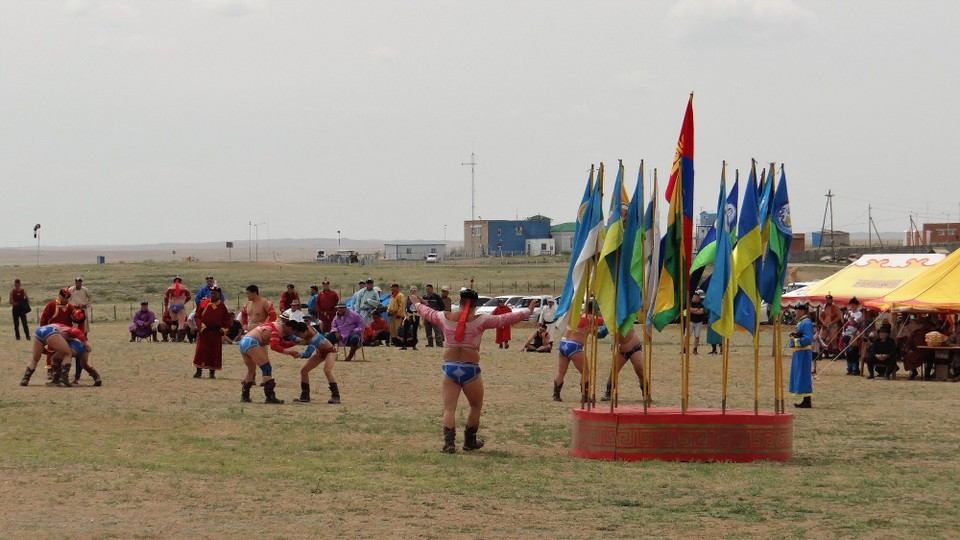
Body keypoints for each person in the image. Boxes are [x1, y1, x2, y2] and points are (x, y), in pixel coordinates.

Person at [410, 288, 536, 453]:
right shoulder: (481, 320)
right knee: (475, 407)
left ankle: (449, 444)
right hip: (471, 369)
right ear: (475, 305)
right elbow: (505, 319)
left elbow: (427, 312)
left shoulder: (444, 317)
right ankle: (470, 441)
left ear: (460, 302)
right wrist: (529, 310)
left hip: (450, 368)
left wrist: (417, 302)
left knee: (449, 409)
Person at [237, 312, 305, 404]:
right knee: (266, 368)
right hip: (252, 342)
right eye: (292, 332)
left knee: (251, 370)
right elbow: (274, 346)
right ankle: (270, 396)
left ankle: (245, 396)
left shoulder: (277, 328)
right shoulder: (277, 329)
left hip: (244, 342)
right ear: (290, 328)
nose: (291, 335)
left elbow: (281, 344)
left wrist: (294, 343)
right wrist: (289, 352)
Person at [553, 302, 603, 402]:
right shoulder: (591, 318)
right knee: (586, 373)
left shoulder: (576, 316)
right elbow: (606, 323)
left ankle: (556, 395)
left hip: (563, 343)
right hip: (575, 346)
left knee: (561, 372)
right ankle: (585, 397)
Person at [19, 323, 87, 387]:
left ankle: (25, 379)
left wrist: (48, 352)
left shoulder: (55, 325)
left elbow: (42, 349)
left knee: (35, 359)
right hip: (51, 331)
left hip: (39, 331)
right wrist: (86, 345)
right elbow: (77, 332)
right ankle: (63, 378)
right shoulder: (69, 329)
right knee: (68, 353)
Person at [294, 317, 341, 404]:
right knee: (304, 371)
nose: (299, 337)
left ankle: (336, 395)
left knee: (327, 371)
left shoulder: (314, 338)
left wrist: (299, 354)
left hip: (330, 351)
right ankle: (305, 395)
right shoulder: (307, 328)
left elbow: (308, 354)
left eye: (300, 335)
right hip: (320, 352)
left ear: (304, 332)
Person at [193, 287, 232, 379]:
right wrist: (201, 326)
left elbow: (226, 320)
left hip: (216, 333)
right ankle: (198, 371)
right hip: (204, 332)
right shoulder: (204, 303)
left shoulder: (222, 307)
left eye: (215, 293)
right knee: (201, 351)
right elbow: (197, 316)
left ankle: (212, 372)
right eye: (211, 293)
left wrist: (224, 329)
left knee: (214, 352)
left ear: (219, 295)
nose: (213, 295)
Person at [601, 326, 645, 401]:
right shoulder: (610, 319)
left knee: (640, 370)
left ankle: (646, 392)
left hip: (634, 347)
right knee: (614, 371)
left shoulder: (626, 315)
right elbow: (602, 333)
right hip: (621, 351)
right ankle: (608, 392)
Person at [788, 304, 815, 408]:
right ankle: (805, 399)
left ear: (803, 311)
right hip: (799, 352)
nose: (796, 312)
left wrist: (795, 340)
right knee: (799, 375)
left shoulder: (806, 323)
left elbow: (808, 339)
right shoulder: (801, 322)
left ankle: (807, 400)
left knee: (803, 375)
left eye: (798, 310)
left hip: (803, 353)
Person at [841, 297, 863, 375]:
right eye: (851, 305)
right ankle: (849, 368)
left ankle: (855, 368)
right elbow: (843, 321)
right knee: (848, 353)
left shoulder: (859, 314)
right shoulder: (849, 312)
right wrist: (844, 313)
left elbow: (854, 323)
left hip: (854, 334)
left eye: (853, 305)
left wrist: (849, 315)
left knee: (853, 352)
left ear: (857, 306)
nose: (852, 307)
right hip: (846, 333)